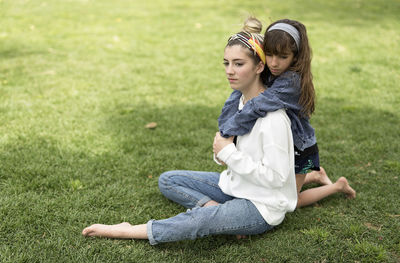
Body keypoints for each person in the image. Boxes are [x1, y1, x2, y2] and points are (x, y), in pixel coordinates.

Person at [82, 18, 298, 244]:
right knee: (169, 180)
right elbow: (233, 156)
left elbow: (277, 178)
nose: (229, 71)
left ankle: (128, 230)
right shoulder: (239, 104)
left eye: (238, 64)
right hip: (236, 186)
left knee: (199, 221)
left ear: (259, 67)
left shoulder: (273, 117)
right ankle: (215, 209)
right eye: (226, 63)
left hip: (261, 207)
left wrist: (228, 153)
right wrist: (224, 154)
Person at [217, 18, 356, 208]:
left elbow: (258, 104)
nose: (274, 63)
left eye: (283, 57)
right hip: (281, 143)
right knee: (282, 183)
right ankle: (316, 175)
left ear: (295, 57)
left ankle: (338, 186)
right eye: (269, 54)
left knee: (291, 200)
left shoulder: (291, 81)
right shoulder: (270, 70)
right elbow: (237, 96)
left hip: (299, 149)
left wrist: (228, 132)